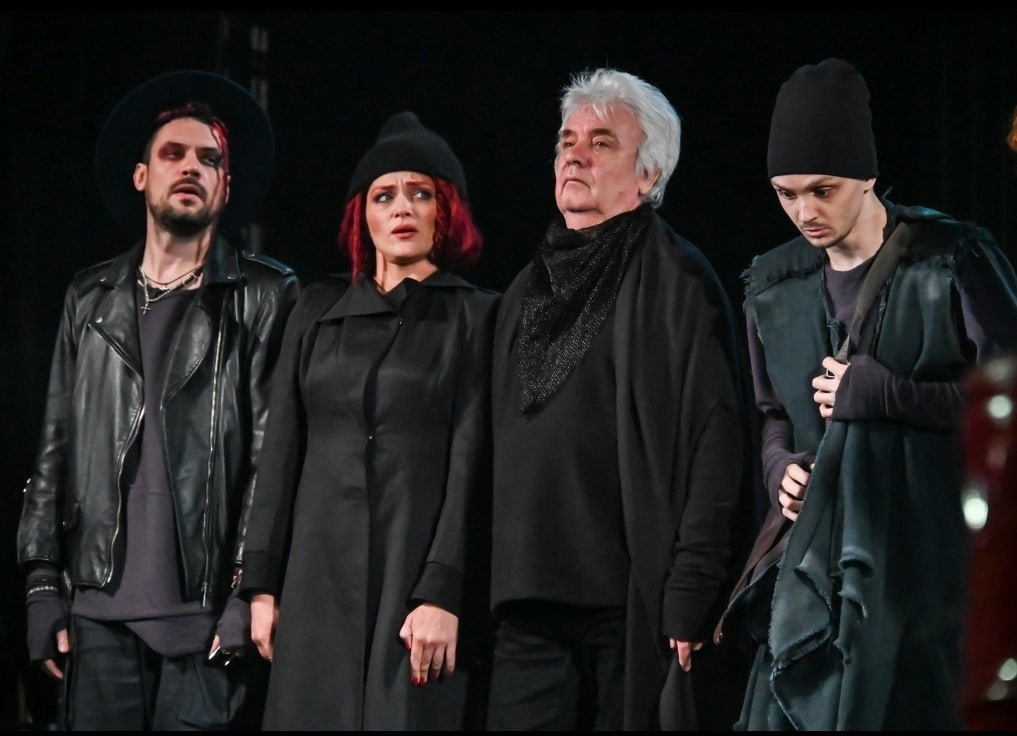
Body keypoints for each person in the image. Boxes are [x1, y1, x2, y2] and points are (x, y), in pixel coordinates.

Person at [737, 58, 1017, 730]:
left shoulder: (947, 260)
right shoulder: (773, 286)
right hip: (815, 582)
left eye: (822, 190)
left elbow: (1006, 406)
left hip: (927, 574)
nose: (804, 212)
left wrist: (890, 394)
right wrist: (778, 469)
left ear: (865, 176)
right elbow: (773, 415)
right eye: (785, 194)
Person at [16, 69, 300, 730]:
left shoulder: (264, 296)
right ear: (141, 175)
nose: (192, 167)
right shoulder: (89, 298)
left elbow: (271, 459)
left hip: (204, 623)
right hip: (97, 617)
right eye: (174, 153)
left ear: (226, 185)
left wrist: (247, 590)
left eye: (210, 159)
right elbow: (54, 449)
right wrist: (40, 583)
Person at [485, 67, 756, 731]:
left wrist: (692, 587)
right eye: (567, 141)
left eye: (601, 142)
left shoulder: (678, 280)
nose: (574, 155)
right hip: (524, 599)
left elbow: (715, 443)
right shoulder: (525, 287)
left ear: (648, 174)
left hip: (627, 607)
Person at [238, 111, 500, 730]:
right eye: (384, 196)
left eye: (420, 193)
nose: (402, 208)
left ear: (446, 211)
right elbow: (281, 449)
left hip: (412, 580)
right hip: (315, 581)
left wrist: (442, 589)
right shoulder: (316, 308)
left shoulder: (477, 316)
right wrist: (262, 583)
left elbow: (473, 463)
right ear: (363, 215)